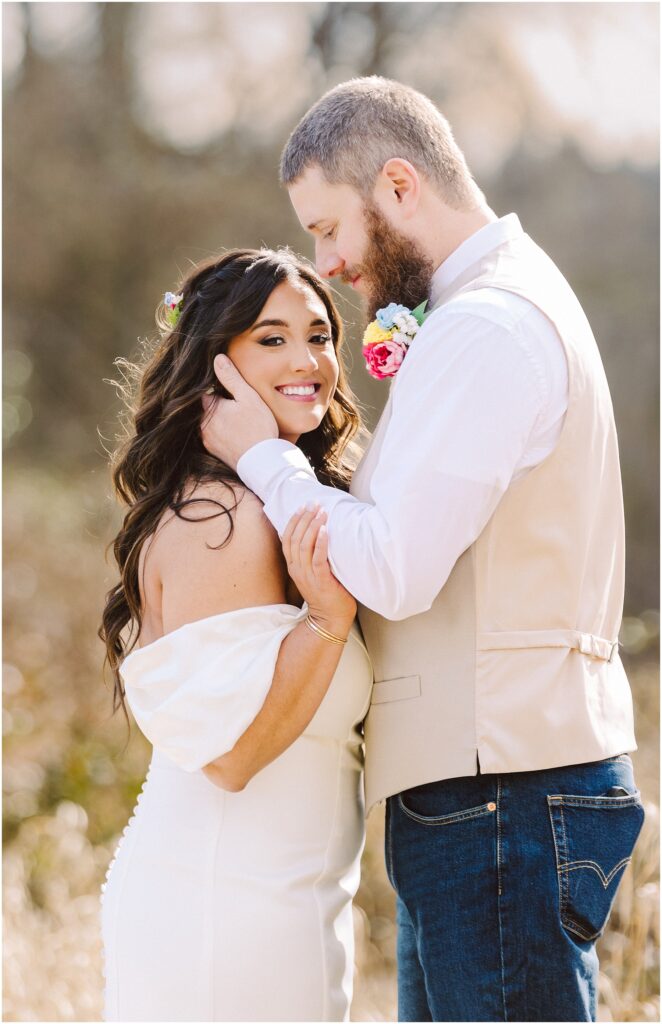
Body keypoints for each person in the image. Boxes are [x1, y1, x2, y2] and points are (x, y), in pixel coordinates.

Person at [200, 78, 645, 1023]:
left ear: (398, 185)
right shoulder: (495, 307)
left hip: (503, 793)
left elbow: (393, 569)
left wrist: (268, 462)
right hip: (495, 788)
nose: (329, 263)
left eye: (329, 230)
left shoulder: (486, 326)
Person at [98, 248, 373, 1022]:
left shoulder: (272, 499)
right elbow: (231, 753)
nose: (308, 360)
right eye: (272, 338)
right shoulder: (223, 516)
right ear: (215, 365)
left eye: (319, 335)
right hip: (221, 906)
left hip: (286, 904)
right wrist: (325, 621)